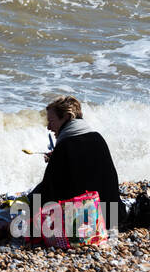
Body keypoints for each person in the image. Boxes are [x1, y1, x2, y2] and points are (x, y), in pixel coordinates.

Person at [28, 95, 122, 231]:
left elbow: (50, 189)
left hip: (81, 223)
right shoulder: (97, 138)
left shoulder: (65, 146)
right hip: (112, 217)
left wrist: (27, 205)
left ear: (66, 117)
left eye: (51, 121)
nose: (48, 127)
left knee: (34, 196)